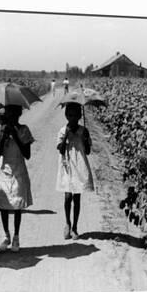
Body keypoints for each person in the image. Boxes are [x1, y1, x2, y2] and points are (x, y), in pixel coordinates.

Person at [0, 105, 34, 252]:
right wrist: (3, 138)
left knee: (17, 205)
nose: (11, 118)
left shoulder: (24, 130)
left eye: (14, 115)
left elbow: (27, 154)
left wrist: (16, 135)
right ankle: (6, 235)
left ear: (19, 114)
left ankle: (16, 237)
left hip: (18, 170)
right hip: (3, 172)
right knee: (3, 205)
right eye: (8, 115)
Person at [56, 102, 94, 240]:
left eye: (75, 115)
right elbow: (60, 150)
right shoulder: (62, 131)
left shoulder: (84, 131)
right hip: (67, 165)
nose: (72, 118)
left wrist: (84, 140)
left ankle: (75, 227)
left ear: (79, 116)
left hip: (79, 165)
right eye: (69, 115)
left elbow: (88, 151)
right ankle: (67, 223)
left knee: (77, 197)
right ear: (66, 115)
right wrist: (66, 136)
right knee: (67, 197)